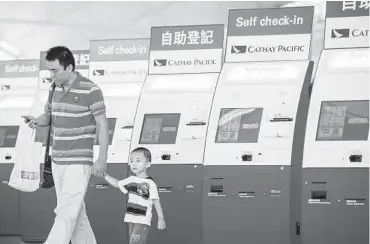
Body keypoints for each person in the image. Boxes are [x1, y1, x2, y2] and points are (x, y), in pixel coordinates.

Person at [22, 46, 109, 244]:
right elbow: (48, 116)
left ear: (69, 67)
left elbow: (102, 124)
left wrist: (102, 158)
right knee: (76, 215)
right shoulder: (53, 89)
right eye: (48, 70)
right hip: (58, 160)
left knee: (66, 212)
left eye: (54, 70)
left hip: (79, 161)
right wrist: (36, 120)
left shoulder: (91, 89)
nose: (50, 75)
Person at [104, 147, 166, 244]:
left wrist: (161, 218)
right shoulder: (131, 179)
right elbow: (117, 184)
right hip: (131, 218)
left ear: (148, 164)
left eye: (138, 161)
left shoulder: (150, 183)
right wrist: (104, 175)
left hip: (142, 220)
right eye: (131, 160)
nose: (133, 163)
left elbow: (156, 200)